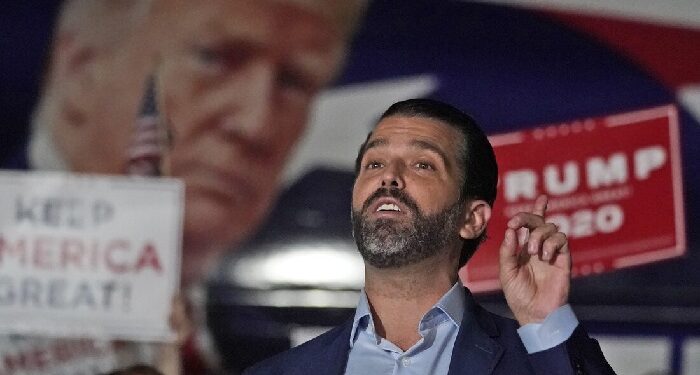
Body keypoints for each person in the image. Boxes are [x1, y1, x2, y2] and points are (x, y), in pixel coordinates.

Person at [243, 99, 615, 374]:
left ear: (471, 218)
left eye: (423, 164)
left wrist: (545, 321)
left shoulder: (538, 360)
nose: (388, 177)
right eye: (374, 163)